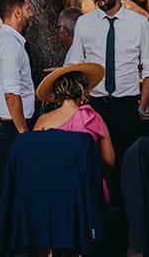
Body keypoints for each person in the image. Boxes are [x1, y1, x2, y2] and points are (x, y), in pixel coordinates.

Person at [64, 0, 149, 168]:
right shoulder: (84, 23)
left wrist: (141, 108)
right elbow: (74, 63)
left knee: (128, 166)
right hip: (94, 105)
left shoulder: (140, 24)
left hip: (127, 107)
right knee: (94, 164)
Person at [0, 0, 34, 254]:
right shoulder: (10, 45)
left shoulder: (4, 42)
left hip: (2, 124)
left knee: (3, 190)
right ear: (16, 11)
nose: (31, 13)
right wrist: (23, 131)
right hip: (8, 126)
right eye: (27, 8)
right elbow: (11, 92)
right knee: (8, 192)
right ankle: (3, 248)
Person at [33, 62, 115, 199]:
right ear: (83, 91)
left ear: (56, 94)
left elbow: (35, 161)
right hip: (88, 191)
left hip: (52, 191)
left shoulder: (43, 121)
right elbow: (110, 160)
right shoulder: (94, 118)